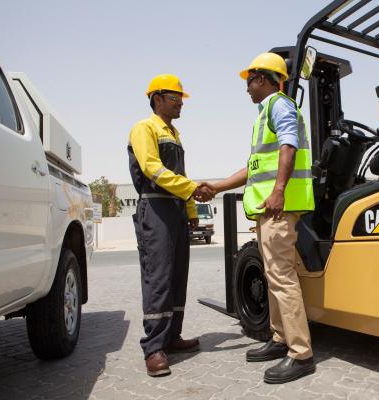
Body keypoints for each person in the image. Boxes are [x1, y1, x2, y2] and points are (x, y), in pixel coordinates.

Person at [211, 53, 315, 384]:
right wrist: (217, 186)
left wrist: (280, 190)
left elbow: (289, 145)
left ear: (262, 79)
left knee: (282, 277)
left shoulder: (279, 106)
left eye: (249, 82)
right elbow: (254, 167)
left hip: (278, 208)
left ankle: (301, 354)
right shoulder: (263, 116)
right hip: (267, 209)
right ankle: (280, 338)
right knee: (274, 276)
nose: (246, 89)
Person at [127, 74, 215, 377]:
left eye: (181, 98)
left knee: (178, 275)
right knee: (159, 277)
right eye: (176, 97)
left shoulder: (174, 134)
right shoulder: (144, 128)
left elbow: (182, 173)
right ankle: (153, 347)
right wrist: (192, 190)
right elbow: (153, 168)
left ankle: (172, 337)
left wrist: (191, 208)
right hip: (155, 208)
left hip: (176, 210)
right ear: (158, 98)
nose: (181, 103)